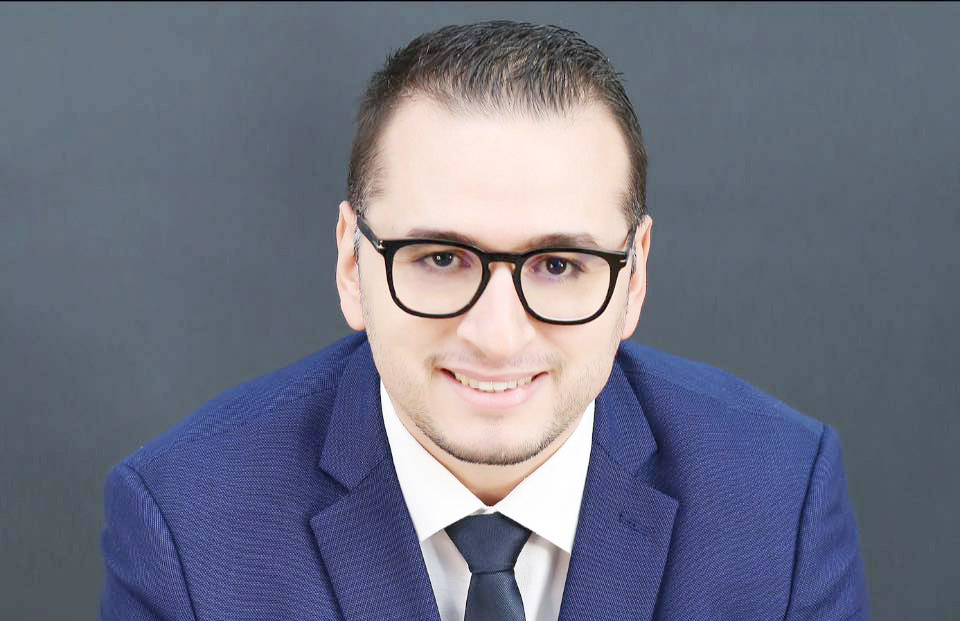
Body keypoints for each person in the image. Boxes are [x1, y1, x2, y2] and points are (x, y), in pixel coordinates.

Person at [100, 20, 869, 621]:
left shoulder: (779, 502)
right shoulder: (188, 524)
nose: (497, 336)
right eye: (441, 258)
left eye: (559, 264)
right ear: (351, 264)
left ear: (634, 276)